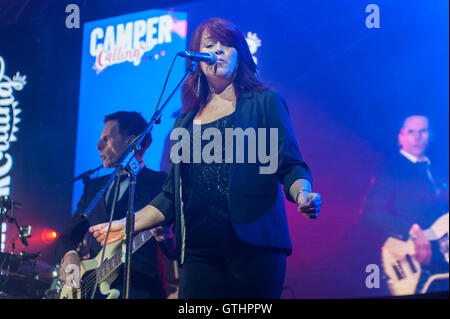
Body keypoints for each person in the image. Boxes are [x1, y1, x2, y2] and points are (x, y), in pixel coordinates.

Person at [89, 18, 322, 299]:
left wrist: (303, 194)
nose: (218, 51)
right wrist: (126, 225)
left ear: (240, 53)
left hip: (255, 246)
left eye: (226, 44)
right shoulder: (184, 124)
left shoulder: (265, 103)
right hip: (199, 251)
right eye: (210, 46)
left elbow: (289, 165)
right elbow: (170, 195)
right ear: (197, 60)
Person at [55, 111, 173, 299]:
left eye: (107, 139)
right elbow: (66, 237)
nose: (98, 146)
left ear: (131, 141)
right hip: (92, 292)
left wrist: (166, 239)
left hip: (142, 292)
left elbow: (176, 246)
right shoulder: (94, 188)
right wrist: (70, 254)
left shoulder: (161, 183)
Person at [361, 115, 449, 293]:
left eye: (422, 131)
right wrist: (412, 230)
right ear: (400, 137)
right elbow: (370, 215)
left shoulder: (438, 170)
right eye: (411, 132)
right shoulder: (391, 170)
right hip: (410, 261)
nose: (417, 137)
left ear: (430, 136)